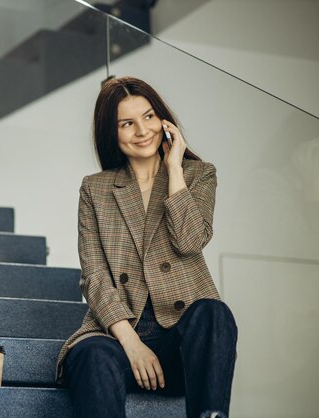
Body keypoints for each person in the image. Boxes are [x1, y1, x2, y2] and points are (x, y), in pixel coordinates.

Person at [55, 76, 238, 418]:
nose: (142, 130)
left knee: (215, 313)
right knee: (91, 354)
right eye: (127, 123)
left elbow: (190, 240)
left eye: (149, 116)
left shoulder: (198, 175)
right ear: (112, 132)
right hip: (119, 336)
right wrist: (131, 342)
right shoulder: (95, 189)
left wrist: (174, 169)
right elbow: (94, 275)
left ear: (164, 121)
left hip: (182, 340)